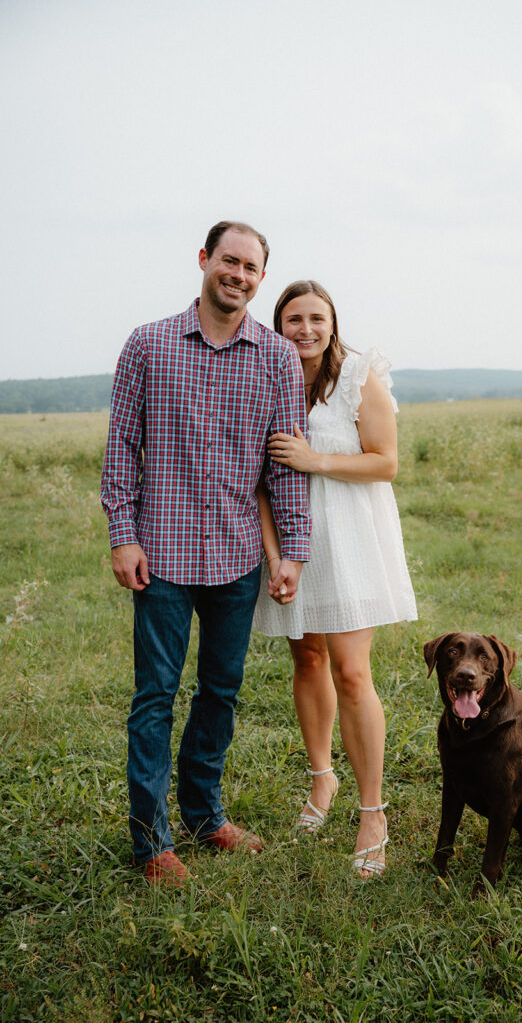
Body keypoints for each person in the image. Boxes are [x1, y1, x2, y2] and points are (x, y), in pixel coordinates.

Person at [101, 221, 311, 887]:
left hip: (235, 558)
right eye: (229, 261)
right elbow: (120, 450)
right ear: (204, 260)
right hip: (158, 557)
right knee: (155, 698)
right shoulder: (148, 344)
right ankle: (150, 842)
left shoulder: (276, 358)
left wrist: (292, 552)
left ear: (259, 278)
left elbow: (284, 467)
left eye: (251, 268)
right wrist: (122, 534)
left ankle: (204, 814)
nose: (239, 275)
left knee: (220, 692)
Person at [253, 280, 417, 878]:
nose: (305, 329)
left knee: (352, 670)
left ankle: (372, 812)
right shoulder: (266, 380)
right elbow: (259, 482)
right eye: (292, 318)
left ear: (332, 322)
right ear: (278, 325)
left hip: (350, 540)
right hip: (293, 547)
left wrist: (316, 459)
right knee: (308, 661)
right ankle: (322, 780)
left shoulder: (356, 376)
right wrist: (274, 557)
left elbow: (386, 462)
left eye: (316, 318)